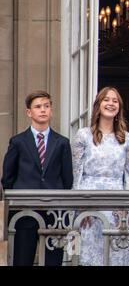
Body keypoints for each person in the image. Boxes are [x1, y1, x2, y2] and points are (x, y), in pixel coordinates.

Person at [71, 87, 129, 266]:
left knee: (115, 256)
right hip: (88, 200)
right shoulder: (83, 135)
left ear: (119, 107)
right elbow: (76, 172)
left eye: (115, 101)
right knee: (86, 256)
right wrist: (79, 205)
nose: (111, 103)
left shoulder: (127, 138)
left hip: (116, 204)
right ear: (98, 105)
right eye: (106, 100)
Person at [1, 91, 73, 266]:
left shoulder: (62, 142)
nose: (43, 110)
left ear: (51, 110)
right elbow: (7, 177)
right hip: (24, 210)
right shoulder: (17, 141)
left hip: (55, 212)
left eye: (46, 106)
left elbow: (67, 179)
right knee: (23, 258)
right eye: (38, 107)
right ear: (29, 112)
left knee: (53, 260)